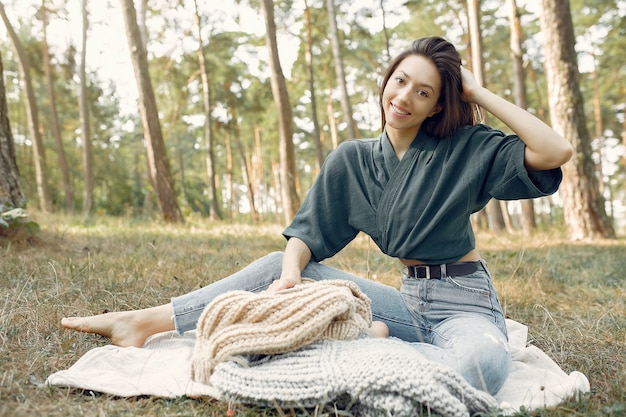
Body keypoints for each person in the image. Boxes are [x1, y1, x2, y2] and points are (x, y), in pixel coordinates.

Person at [61, 36, 573, 395]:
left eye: (424, 92)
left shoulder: (464, 147)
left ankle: (371, 350)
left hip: (464, 302)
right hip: (409, 303)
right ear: (386, 80)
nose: (404, 98)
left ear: (439, 105)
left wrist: (476, 91)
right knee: (282, 266)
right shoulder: (352, 159)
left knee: (483, 365)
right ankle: (142, 322)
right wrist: (289, 276)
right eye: (400, 82)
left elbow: (555, 151)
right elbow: (306, 236)